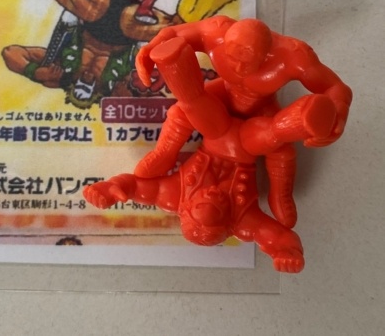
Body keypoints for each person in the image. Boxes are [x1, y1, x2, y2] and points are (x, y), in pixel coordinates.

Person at [84, 37, 340, 273]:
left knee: (192, 104)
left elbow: (135, 187)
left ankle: (174, 61)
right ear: (228, 220)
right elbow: (275, 235)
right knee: (276, 137)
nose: (212, 195)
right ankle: (308, 116)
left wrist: (111, 188)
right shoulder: (243, 221)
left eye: (201, 202)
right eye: (219, 206)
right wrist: (286, 251)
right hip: (249, 143)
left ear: (187, 208)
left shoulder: (174, 196)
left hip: (218, 131)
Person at [134, 16, 353, 228]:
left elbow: (335, 88)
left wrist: (338, 117)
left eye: (247, 61)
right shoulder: (213, 31)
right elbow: (172, 33)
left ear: (266, 55)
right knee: (181, 111)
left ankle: (280, 194)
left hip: (261, 108)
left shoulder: (294, 55)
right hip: (223, 93)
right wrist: (149, 50)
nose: (238, 68)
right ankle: (164, 152)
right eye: (232, 57)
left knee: (281, 148)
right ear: (224, 43)